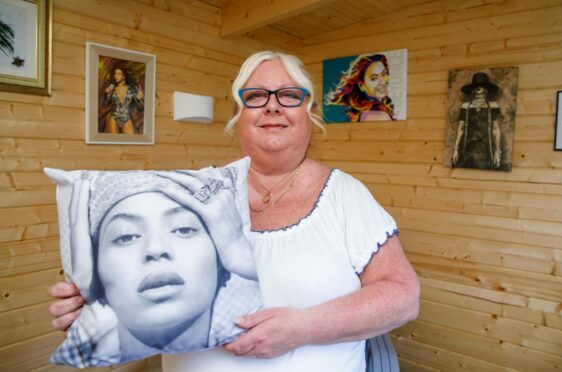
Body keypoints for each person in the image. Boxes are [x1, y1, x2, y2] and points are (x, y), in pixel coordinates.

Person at [49, 51, 420, 371]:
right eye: (256, 96)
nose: (273, 105)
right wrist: (96, 305)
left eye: (290, 95)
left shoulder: (346, 196)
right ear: (238, 114)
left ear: (310, 113)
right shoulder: (191, 193)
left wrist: (302, 328)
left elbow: (403, 297)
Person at [46, 165, 261, 366]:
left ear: (220, 257)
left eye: (183, 229)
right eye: (126, 236)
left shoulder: (247, 273)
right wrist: (84, 307)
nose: (155, 249)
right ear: (97, 268)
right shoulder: (89, 331)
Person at [451, 72, 502, 169]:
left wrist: (497, 152)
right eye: (476, 86)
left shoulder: (493, 105)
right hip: (468, 147)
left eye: (481, 86)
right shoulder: (466, 106)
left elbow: (496, 129)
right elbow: (461, 128)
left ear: (486, 89)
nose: (478, 88)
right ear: (472, 90)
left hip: (486, 148)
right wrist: (456, 149)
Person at [325, 53, 396, 122]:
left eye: (384, 74)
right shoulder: (379, 116)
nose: (383, 81)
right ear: (362, 86)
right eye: (374, 78)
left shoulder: (378, 108)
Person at [100, 66, 144, 134]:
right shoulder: (112, 89)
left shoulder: (131, 89)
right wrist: (106, 94)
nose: (116, 76)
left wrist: (139, 99)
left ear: (124, 76)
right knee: (113, 141)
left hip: (126, 118)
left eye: (119, 74)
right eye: (115, 73)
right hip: (114, 118)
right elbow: (105, 105)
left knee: (131, 140)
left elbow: (138, 107)